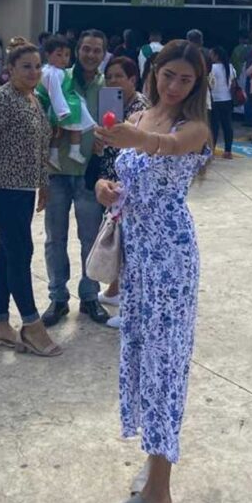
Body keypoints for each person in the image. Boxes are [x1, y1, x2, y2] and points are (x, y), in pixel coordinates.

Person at [95, 40, 210, 503]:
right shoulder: (139, 115)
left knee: (165, 367)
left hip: (170, 259)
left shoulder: (195, 127)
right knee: (143, 360)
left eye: (187, 79)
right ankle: (153, 462)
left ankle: (159, 493)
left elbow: (166, 148)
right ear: (155, 71)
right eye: (169, 75)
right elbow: (131, 175)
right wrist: (108, 189)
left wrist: (136, 139)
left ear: (198, 84)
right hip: (137, 258)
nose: (176, 86)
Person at [0, 43, 61, 358]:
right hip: (0, 189)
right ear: (10, 69)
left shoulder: (32, 99)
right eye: (26, 67)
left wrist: (42, 184)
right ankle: (31, 325)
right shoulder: (2, 100)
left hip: (23, 190)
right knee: (21, 252)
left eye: (37, 66)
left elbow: (40, 146)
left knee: (8, 253)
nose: (33, 72)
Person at [42, 29, 109, 328]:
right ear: (77, 50)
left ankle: (90, 296)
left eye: (97, 50)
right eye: (86, 49)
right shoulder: (59, 76)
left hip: (88, 174)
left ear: (103, 54)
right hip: (56, 172)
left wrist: (102, 139)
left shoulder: (107, 84)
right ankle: (58, 297)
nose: (91, 55)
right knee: (55, 238)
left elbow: (113, 125)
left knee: (90, 239)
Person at [90, 56, 148, 330]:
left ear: (133, 80)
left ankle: (130, 308)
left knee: (130, 247)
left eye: (119, 77)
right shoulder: (113, 106)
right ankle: (114, 292)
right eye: (109, 77)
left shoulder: (140, 110)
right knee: (122, 242)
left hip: (130, 188)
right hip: (112, 183)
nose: (113, 81)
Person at [37, 35, 95, 167]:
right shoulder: (53, 73)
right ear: (48, 55)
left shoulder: (50, 70)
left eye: (67, 55)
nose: (64, 59)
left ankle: (54, 155)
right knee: (75, 128)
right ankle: (74, 150)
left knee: (58, 132)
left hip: (61, 104)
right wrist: (62, 111)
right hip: (61, 106)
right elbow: (55, 92)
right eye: (59, 55)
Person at [209, 46, 235, 158]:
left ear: (216, 56)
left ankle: (211, 151)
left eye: (212, 54)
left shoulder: (212, 68)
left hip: (215, 99)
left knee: (213, 127)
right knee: (227, 125)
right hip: (227, 99)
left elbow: (210, 84)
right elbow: (233, 83)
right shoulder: (230, 67)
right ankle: (228, 151)